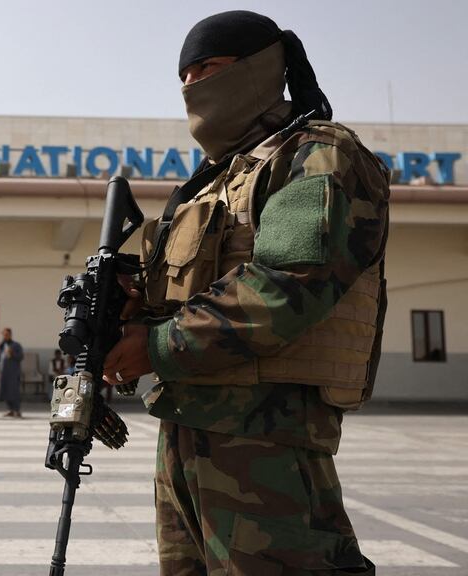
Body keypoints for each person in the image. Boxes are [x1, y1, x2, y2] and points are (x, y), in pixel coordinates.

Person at [101, 11, 388, 576]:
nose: (192, 86)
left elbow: (287, 283)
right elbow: (178, 301)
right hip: (185, 431)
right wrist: (126, 313)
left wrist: (156, 346)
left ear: (260, 69)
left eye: (208, 68)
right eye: (184, 75)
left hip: (265, 437)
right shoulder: (213, 181)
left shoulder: (317, 155)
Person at [0, 327, 24, 417]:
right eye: (4, 334)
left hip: (13, 373)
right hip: (4, 373)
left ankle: (17, 410)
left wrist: (12, 353)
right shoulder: (2, 345)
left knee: (14, 392)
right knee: (5, 391)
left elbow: (21, 357)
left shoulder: (16, 345)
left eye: (7, 334)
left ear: (10, 335)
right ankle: (10, 410)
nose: (5, 336)